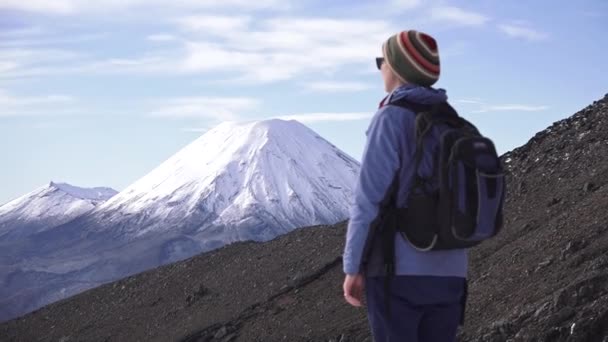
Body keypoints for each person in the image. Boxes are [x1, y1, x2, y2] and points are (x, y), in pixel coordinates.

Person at [342, 30, 468, 342]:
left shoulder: (392, 118)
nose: (380, 69)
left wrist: (354, 267)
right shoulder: (452, 121)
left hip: (398, 271)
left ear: (397, 67)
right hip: (452, 272)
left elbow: (368, 200)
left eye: (380, 61)